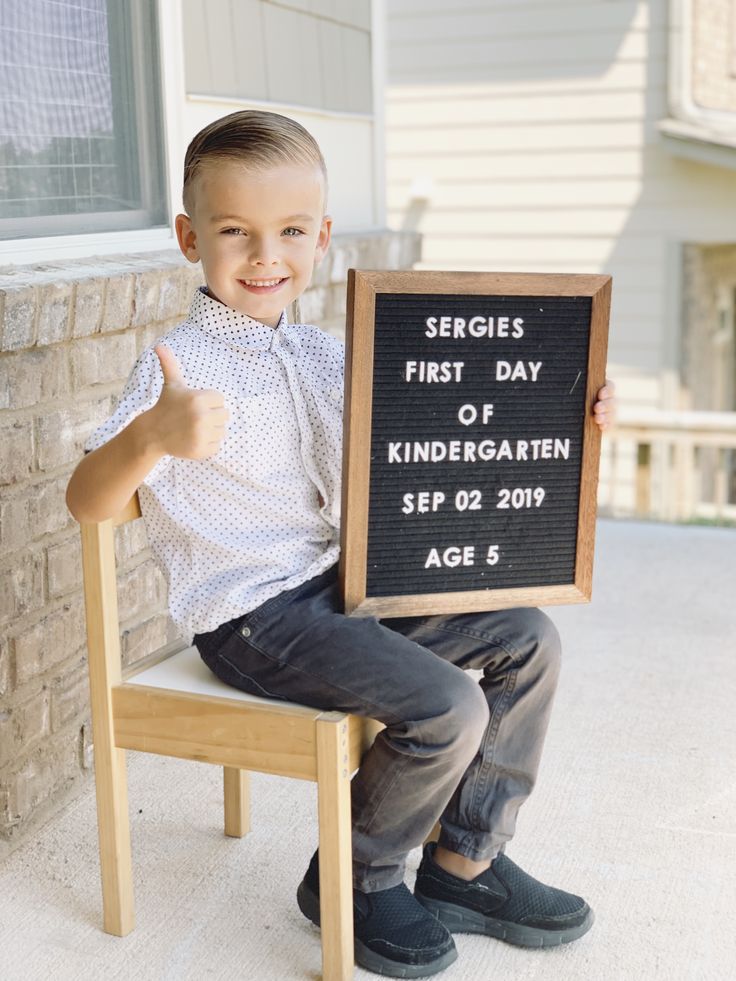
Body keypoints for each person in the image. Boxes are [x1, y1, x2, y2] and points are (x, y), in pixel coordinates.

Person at [67, 110, 616, 979]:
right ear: (188, 237)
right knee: (446, 706)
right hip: (254, 615)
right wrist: (150, 439)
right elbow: (87, 500)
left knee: (529, 639)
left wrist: (565, 414)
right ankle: (353, 879)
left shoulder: (330, 354)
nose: (264, 255)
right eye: (234, 232)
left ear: (321, 238)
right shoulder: (175, 365)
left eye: (289, 231)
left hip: (352, 582)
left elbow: (439, 434)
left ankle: (462, 862)